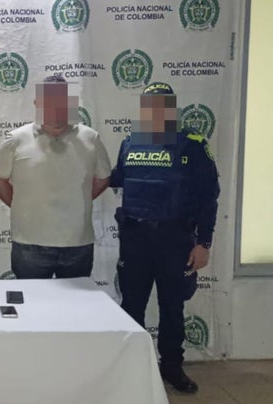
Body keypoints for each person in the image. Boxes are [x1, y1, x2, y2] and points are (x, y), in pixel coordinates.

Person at [111, 82, 220, 394]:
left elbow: (209, 197)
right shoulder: (130, 142)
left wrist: (204, 243)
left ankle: (171, 366)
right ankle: (132, 366)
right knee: (132, 304)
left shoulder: (192, 143)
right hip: (136, 239)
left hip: (175, 240)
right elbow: (118, 178)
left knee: (172, 306)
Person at [0, 75, 111, 279]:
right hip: (29, 244)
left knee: (75, 300)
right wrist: (20, 206)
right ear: (38, 103)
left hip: (77, 244)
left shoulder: (91, 138)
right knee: (32, 299)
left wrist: (78, 200)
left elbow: (104, 179)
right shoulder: (16, 140)